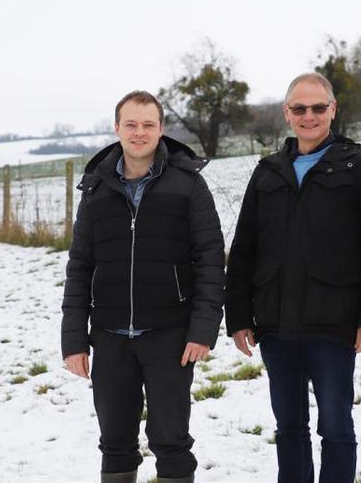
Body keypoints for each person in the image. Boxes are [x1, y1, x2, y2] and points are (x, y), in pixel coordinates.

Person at [225, 72, 361, 483]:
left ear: (333, 110)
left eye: (318, 107)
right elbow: (244, 248)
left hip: (335, 325)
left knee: (336, 426)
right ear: (287, 114)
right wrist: (239, 317)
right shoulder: (267, 172)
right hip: (276, 323)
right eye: (299, 108)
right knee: (289, 428)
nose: (309, 116)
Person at [61, 90, 225, 483]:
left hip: (170, 335)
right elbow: (80, 265)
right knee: (115, 441)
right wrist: (74, 340)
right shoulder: (96, 189)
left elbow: (210, 259)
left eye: (148, 124)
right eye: (131, 124)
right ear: (117, 128)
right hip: (110, 335)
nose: (139, 133)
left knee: (171, 441)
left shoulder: (188, 186)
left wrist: (203, 329)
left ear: (161, 129)